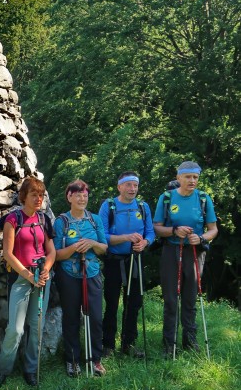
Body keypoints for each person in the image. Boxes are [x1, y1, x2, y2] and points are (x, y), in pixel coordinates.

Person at [0, 176, 56, 387]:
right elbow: (8, 254)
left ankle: (31, 371)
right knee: (17, 329)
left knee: (36, 327)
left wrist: (46, 270)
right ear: (23, 197)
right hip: (21, 278)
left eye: (41, 195)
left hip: (42, 277)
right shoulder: (13, 220)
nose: (39, 199)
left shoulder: (44, 219)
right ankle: (3, 370)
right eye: (34, 195)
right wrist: (29, 276)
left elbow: (51, 251)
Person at [153, 161, 218, 357]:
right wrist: (174, 230)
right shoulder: (166, 198)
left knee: (190, 299)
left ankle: (190, 343)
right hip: (171, 251)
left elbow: (213, 229)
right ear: (179, 177)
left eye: (195, 177)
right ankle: (169, 345)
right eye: (188, 177)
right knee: (171, 299)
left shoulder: (204, 198)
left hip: (195, 252)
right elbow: (157, 227)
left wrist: (201, 238)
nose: (192, 181)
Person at [53, 179, 108, 377]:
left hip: (92, 272)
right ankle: (72, 359)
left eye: (85, 195)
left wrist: (92, 242)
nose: (82, 198)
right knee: (71, 317)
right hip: (68, 273)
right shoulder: (61, 221)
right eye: (78, 195)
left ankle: (95, 359)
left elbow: (104, 248)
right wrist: (74, 248)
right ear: (69, 197)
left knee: (95, 316)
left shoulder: (95, 220)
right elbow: (56, 254)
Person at [98, 171, 155, 358]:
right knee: (112, 302)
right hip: (114, 260)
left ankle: (128, 343)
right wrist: (125, 238)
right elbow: (102, 236)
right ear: (119, 186)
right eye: (128, 185)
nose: (132, 189)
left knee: (134, 303)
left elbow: (151, 233)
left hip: (135, 260)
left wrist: (144, 243)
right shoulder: (109, 206)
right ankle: (108, 345)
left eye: (135, 185)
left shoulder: (143, 206)